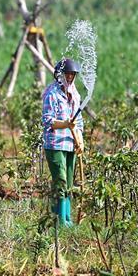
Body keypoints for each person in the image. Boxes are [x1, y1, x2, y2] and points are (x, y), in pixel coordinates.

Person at [42, 57, 84, 227]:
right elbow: (48, 121)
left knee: (68, 183)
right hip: (55, 144)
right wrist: (65, 124)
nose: (69, 77)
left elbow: (78, 121)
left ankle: (67, 218)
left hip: (70, 144)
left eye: (72, 75)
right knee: (60, 179)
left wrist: (80, 141)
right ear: (59, 75)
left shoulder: (75, 94)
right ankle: (60, 220)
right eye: (67, 74)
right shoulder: (51, 94)